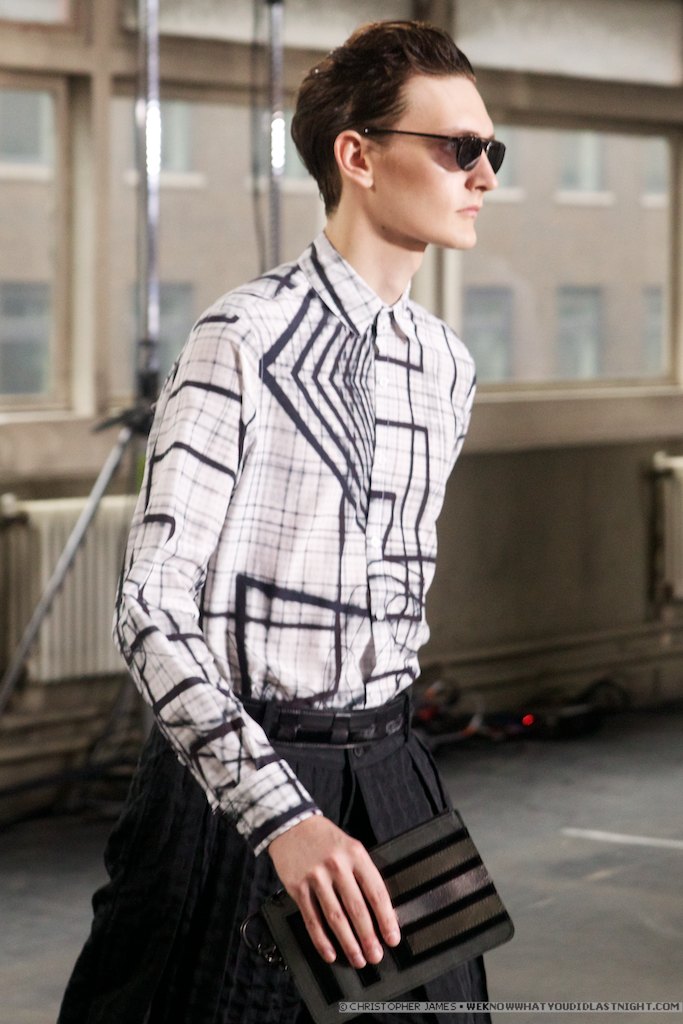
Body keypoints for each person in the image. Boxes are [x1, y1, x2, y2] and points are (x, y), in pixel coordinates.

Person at [58, 18, 504, 1024]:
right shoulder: (240, 337)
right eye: (457, 147)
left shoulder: (445, 366)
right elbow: (150, 611)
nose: (482, 175)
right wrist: (281, 816)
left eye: (491, 151)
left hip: (394, 766)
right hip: (236, 787)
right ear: (358, 156)